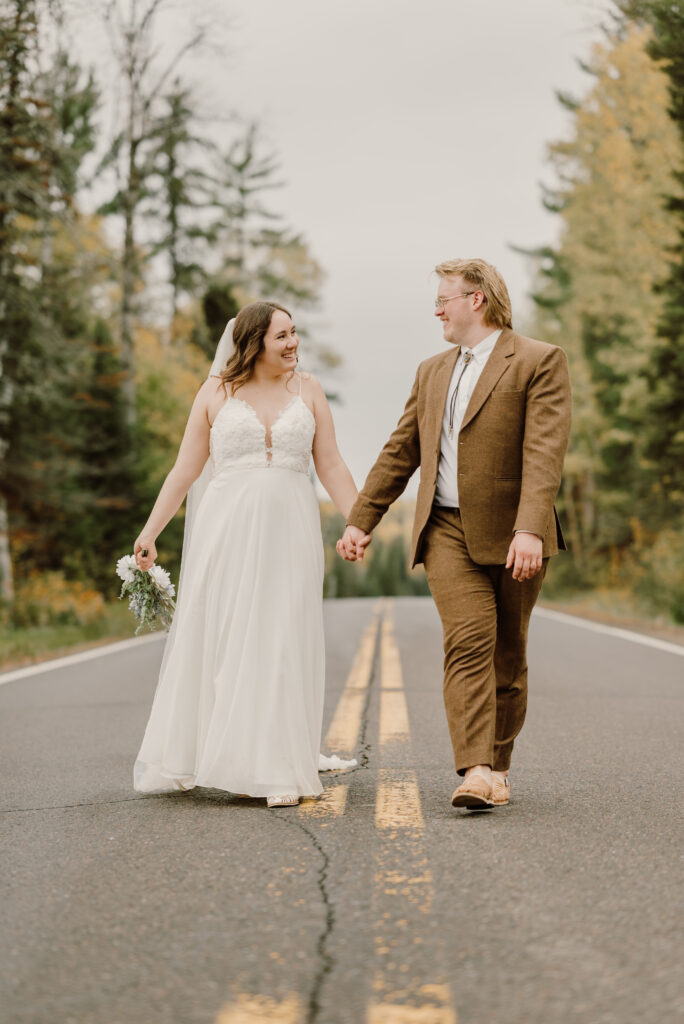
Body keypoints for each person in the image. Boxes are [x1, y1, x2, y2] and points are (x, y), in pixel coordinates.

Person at [337, 258, 572, 810]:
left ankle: (499, 769)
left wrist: (530, 528)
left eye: (445, 299)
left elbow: (544, 452)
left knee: (508, 657)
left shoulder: (538, 361)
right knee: (469, 640)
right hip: (445, 528)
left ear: (478, 300)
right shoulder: (431, 371)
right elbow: (402, 450)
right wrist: (360, 518)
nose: (437, 310)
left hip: (515, 532)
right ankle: (475, 770)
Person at [132, 301, 359, 807]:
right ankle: (232, 757)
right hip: (227, 533)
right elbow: (184, 470)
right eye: (283, 336)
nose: (294, 343)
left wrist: (358, 522)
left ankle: (276, 763)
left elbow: (333, 466)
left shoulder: (311, 391)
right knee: (233, 637)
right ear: (254, 343)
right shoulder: (215, 393)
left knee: (280, 637)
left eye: (295, 333)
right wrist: (150, 533)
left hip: (291, 533)